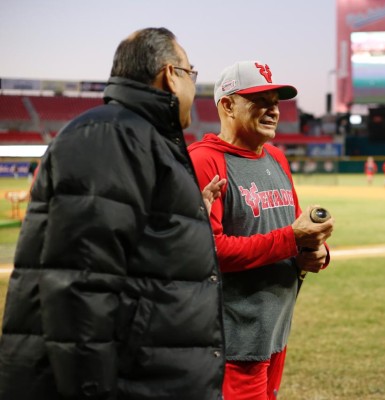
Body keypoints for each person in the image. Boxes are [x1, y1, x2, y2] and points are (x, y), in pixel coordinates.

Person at [0, 27, 226, 400]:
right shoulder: (114, 136)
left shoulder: (139, 137)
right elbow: (81, 283)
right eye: (191, 73)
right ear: (171, 75)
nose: (193, 87)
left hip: (143, 375)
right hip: (126, 381)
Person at [188, 60, 334, 400]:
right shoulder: (204, 160)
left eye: (275, 101)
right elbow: (208, 254)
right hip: (232, 341)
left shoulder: (276, 158)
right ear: (227, 104)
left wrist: (315, 252)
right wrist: (292, 240)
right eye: (259, 100)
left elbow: (295, 231)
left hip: (273, 332)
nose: (272, 110)